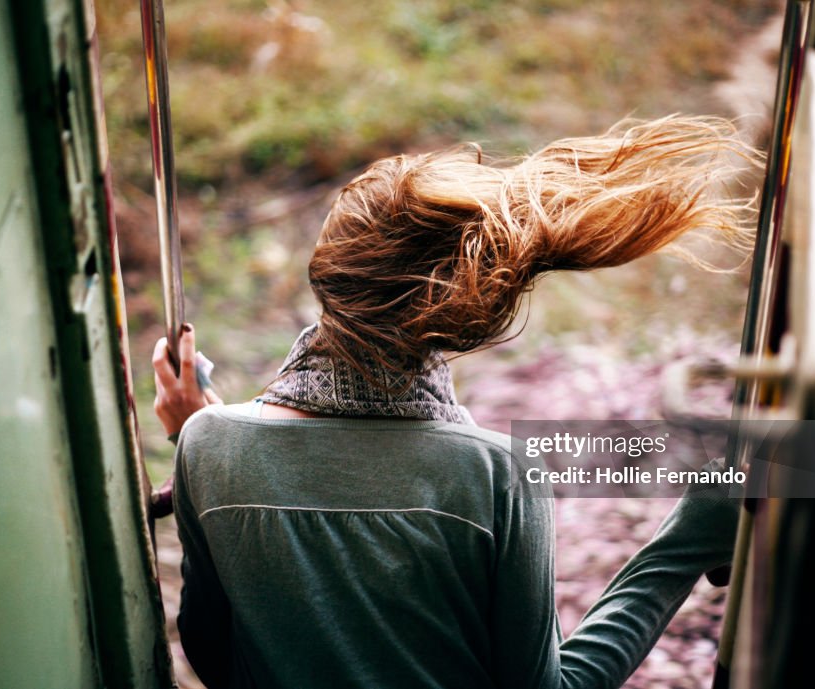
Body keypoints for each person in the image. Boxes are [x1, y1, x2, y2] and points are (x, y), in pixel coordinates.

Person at [152, 115, 754, 689]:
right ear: (461, 313)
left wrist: (209, 443)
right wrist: (685, 541)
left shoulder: (209, 445)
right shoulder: (496, 472)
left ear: (328, 275)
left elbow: (212, 654)